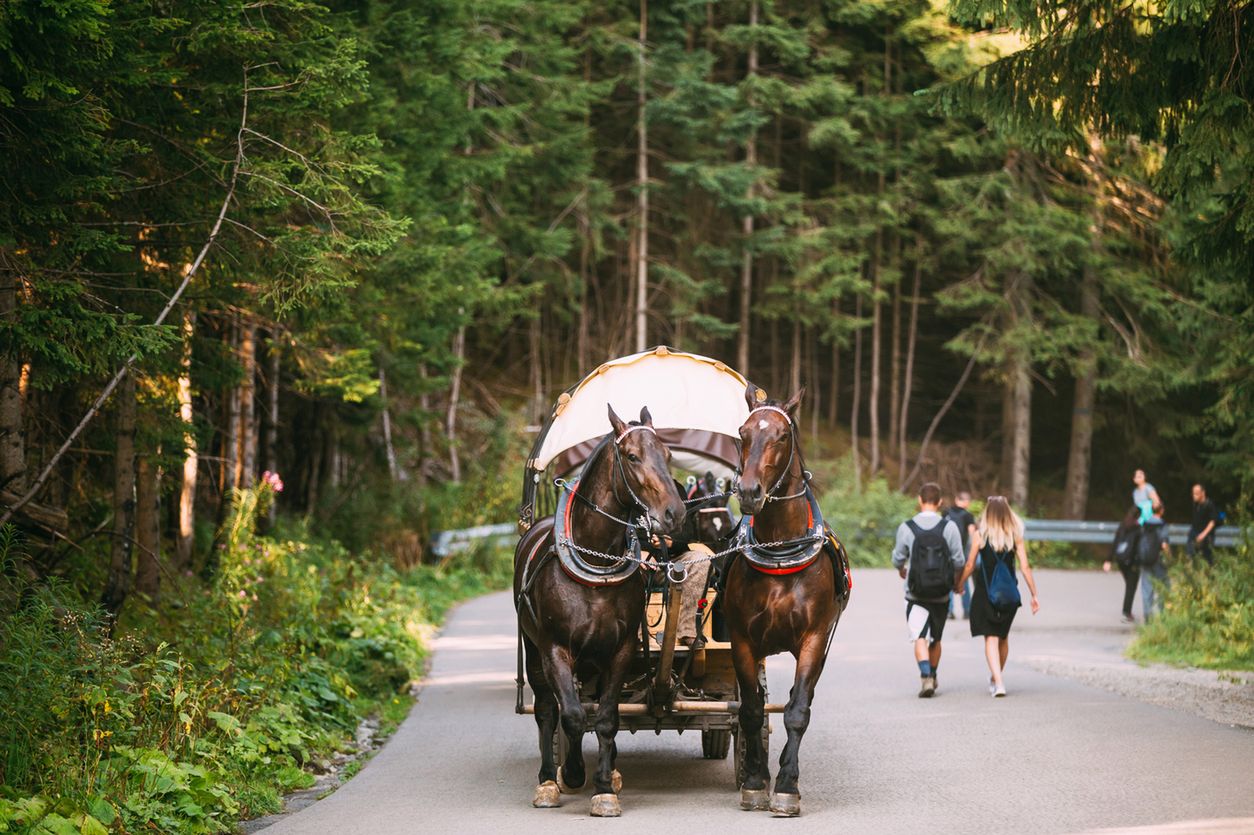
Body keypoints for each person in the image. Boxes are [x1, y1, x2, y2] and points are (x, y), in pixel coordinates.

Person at [955, 496, 1039, 698]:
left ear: (988, 513)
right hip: (1009, 592)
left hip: (986, 592)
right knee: (1002, 637)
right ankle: (996, 678)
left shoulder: (980, 535)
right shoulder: (1015, 535)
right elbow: (1025, 567)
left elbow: (969, 564)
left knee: (990, 638)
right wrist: (1034, 594)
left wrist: (958, 584)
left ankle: (998, 682)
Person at [891, 482, 964, 698]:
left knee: (919, 636)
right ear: (940, 502)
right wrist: (956, 583)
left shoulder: (907, 527)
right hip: (942, 592)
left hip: (915, 592)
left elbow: (897, 558)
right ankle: (933, 672)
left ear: (920, 501)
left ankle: (925, 678)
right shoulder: (949, 527)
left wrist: (901, 569)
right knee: (936, 638)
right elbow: (959, 560)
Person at [1103, 507, 1142, 623]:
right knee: (1131, 587)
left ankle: (1127, 611)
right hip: (1132, 562)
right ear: (1139, 516)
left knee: (1129, 585)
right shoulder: (1138, 529)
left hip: (1121, 561)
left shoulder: (1122, 526)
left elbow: (1115, 543)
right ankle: (1127, 612)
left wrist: (1108, 560)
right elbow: (1138, 547)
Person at [944, 491, 977, 620]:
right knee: (964, 580)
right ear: (967, 502)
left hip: (947, 552)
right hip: (961, 552)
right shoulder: (968, 515)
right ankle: (967, 611)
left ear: (957, 499)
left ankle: (948, 611)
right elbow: (972, 534)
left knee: (948, 580)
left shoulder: (946, 513)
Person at [1138, 501, 1170, 621]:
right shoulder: (1162, 525)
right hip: (1158, 561)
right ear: (1162, 511)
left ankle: (1148, 618)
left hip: (1145, 559)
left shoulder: (1145, 524)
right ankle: (1163, 616)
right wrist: (1169, 558)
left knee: (1147, 589)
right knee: (1163, 587)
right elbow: (1164, 544)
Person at [1187, 483, 1218, 565]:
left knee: (1208, 559)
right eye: (1193, 493)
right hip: (1194, 533)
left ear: (1203, 493)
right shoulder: (1196, 504)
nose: (1194, 496)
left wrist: (1203, 534)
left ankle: (1209, 576)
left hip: (1206, 536)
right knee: (1191, 556)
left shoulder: (1209, 505)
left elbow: (1213, 521)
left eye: (1196, 493)